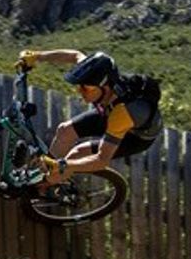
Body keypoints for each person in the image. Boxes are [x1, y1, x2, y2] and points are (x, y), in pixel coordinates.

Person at [8, 48, 161, 192]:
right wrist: (37, 56)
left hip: (136, 136)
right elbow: (74, 55)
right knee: (65, 130)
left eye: (85, 88)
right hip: (111, 113)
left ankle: (43, 185)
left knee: (78, 153)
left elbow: (101, 160)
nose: (80, 92)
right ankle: (43, 172)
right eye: (79, 86)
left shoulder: (122, 113)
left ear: (105, 88)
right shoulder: (99, 81)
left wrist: (63, 164)